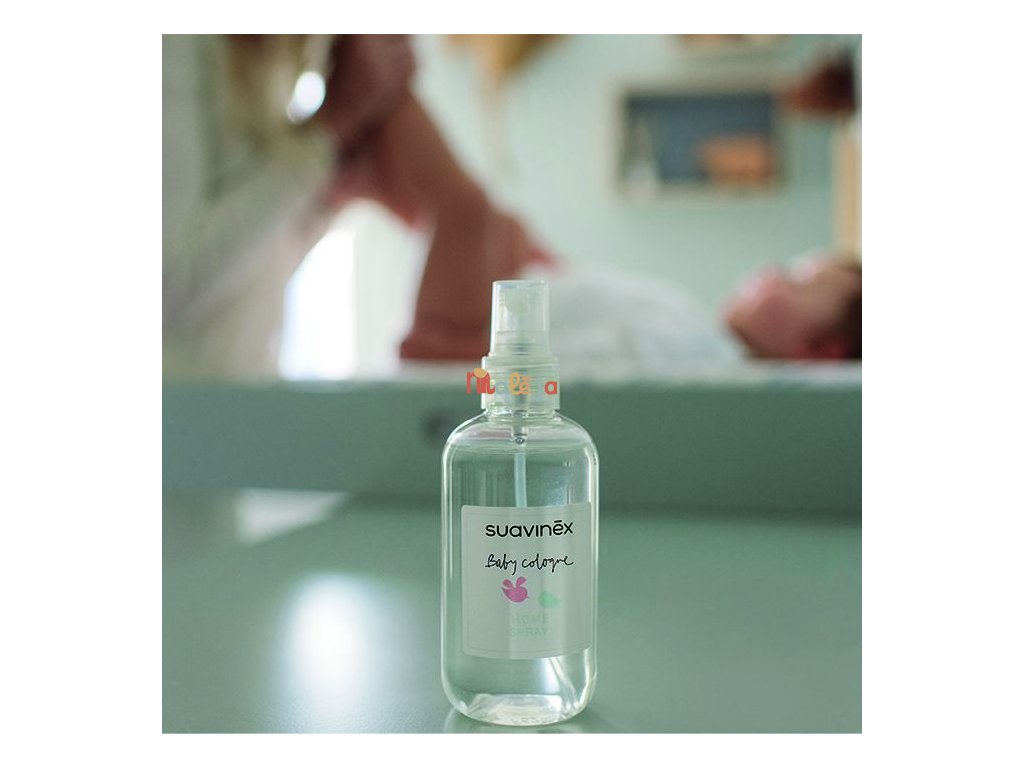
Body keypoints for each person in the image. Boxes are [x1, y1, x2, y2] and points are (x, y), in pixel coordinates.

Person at [163, 34, 547, 377]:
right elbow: (168, 284)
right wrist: (327, 136)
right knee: (472, 223)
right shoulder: (175, 44)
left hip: (235, 399)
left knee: (479, 226)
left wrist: (322, 190)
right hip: (186, 412)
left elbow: (239, 286)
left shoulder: (273, 56)